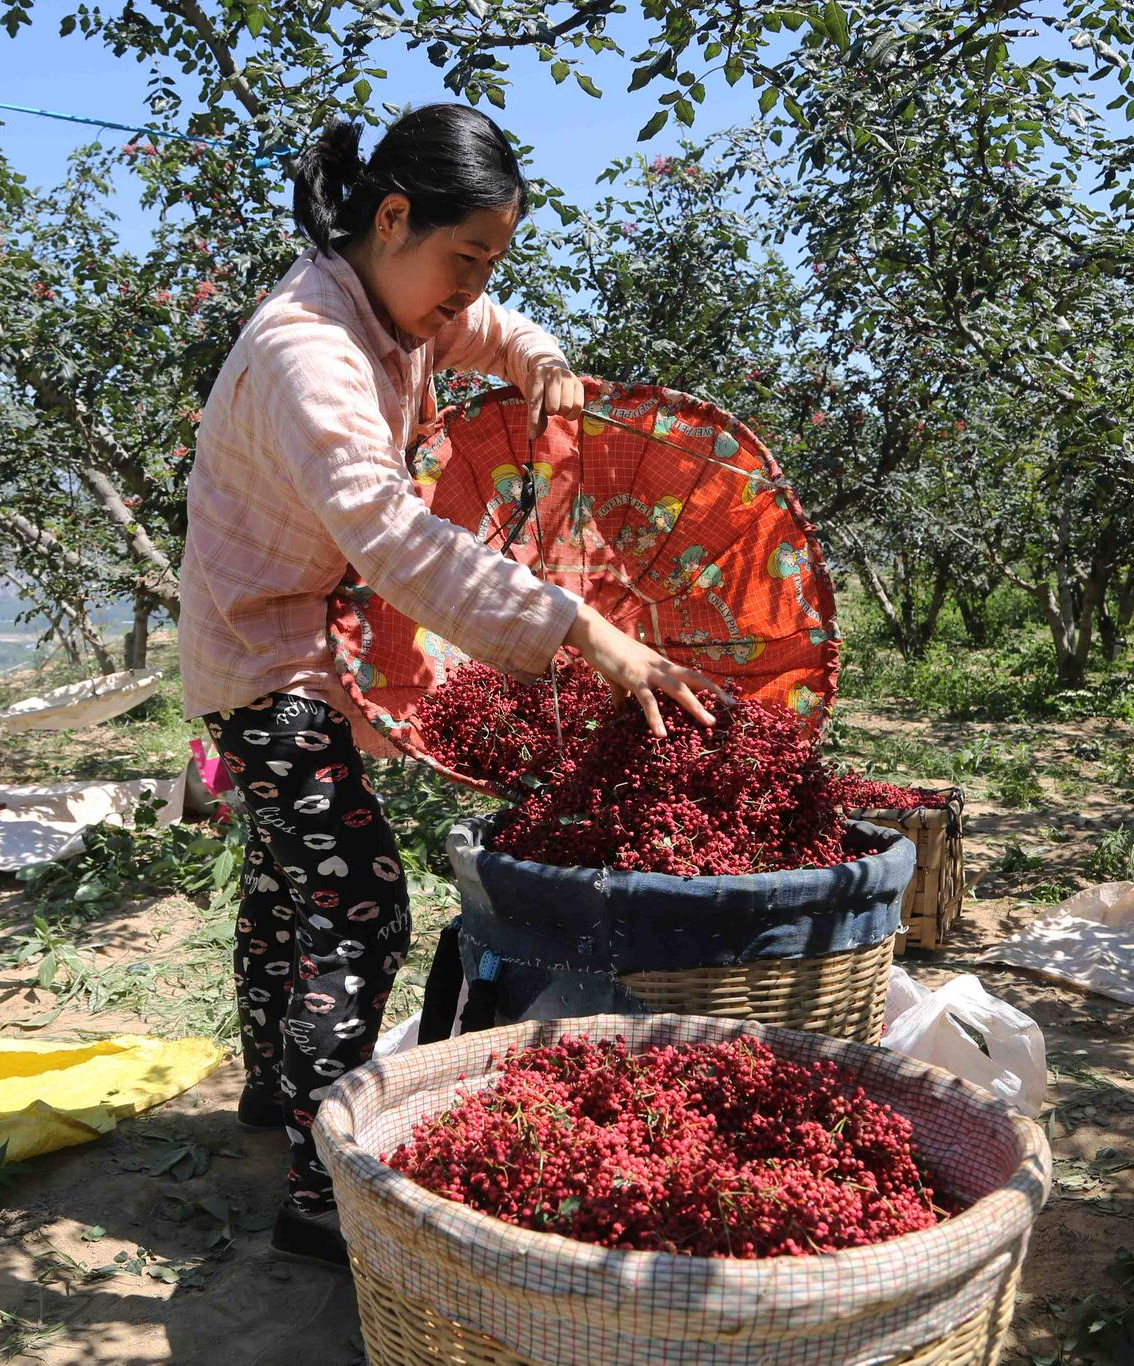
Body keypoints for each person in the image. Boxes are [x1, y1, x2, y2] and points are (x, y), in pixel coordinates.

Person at [179, 104, 726, 1267]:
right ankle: (322, 1192)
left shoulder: (399, 297)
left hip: (299, 635)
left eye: (491, 260)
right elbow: (385, 533)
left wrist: (537, 357)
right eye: (461, 254)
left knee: (289, 874)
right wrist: (582, 632)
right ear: (390, 218)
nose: (470, 285)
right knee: (358, 899)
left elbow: (481, 323)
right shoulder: (307, 348)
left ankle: (277, 1092)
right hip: (262, 648)